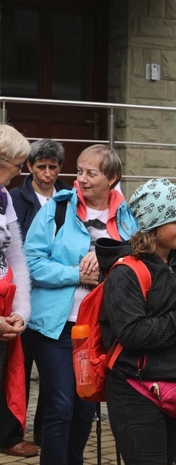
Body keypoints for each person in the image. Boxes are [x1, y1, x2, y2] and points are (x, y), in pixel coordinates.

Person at [25, 144, 139, 465]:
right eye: (79, 171)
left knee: (86, 407)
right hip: (57, 326)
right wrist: (76, 272)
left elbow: (136, 262)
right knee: (61, 406)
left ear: (112, 177)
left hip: (99, 329)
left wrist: (106, 262)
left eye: (92, 173)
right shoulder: (57, 209)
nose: (82, 179)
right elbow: (31, 262)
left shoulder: (127, 217)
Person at [100, 178, 176, 464]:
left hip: (174, 388)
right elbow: (131, 334)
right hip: (135, 391)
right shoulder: (125, 272)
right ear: (154, 225)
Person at [9, 138, 70, 447]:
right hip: (22, 296)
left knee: (52, 378)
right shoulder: (16, 197)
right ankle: (11, 435)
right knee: (18, 372)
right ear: (29, 167)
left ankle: (46, 434)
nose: (48, 173)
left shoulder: (68, 197)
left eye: (53, 167)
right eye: (41, 166)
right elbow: (19, 248)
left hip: (55, 298)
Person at [0, 125, 34, 459]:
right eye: (18, 164)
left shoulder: (5, 197)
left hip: (5, 308)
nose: (21, 171)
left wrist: (21, 311)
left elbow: (17, 258)